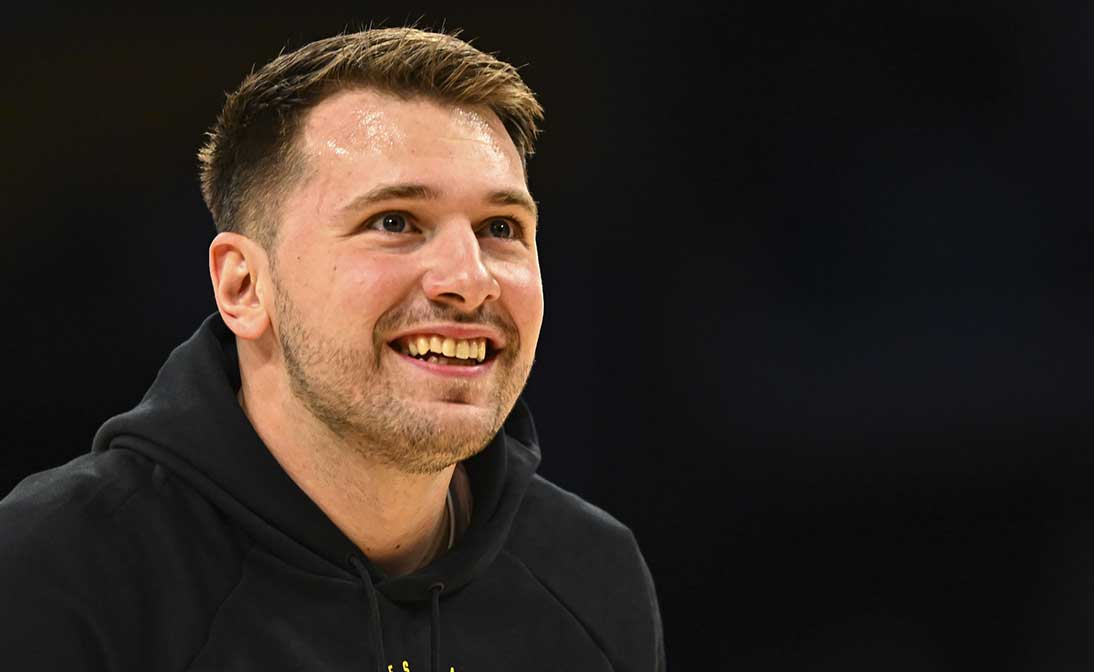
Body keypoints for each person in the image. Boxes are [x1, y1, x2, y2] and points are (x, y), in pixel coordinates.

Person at [0, 26, 665, 671]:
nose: (469, 279)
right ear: (244, 286)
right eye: (395, 221)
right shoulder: (57, 569)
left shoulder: (593, 575)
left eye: (501, 227)